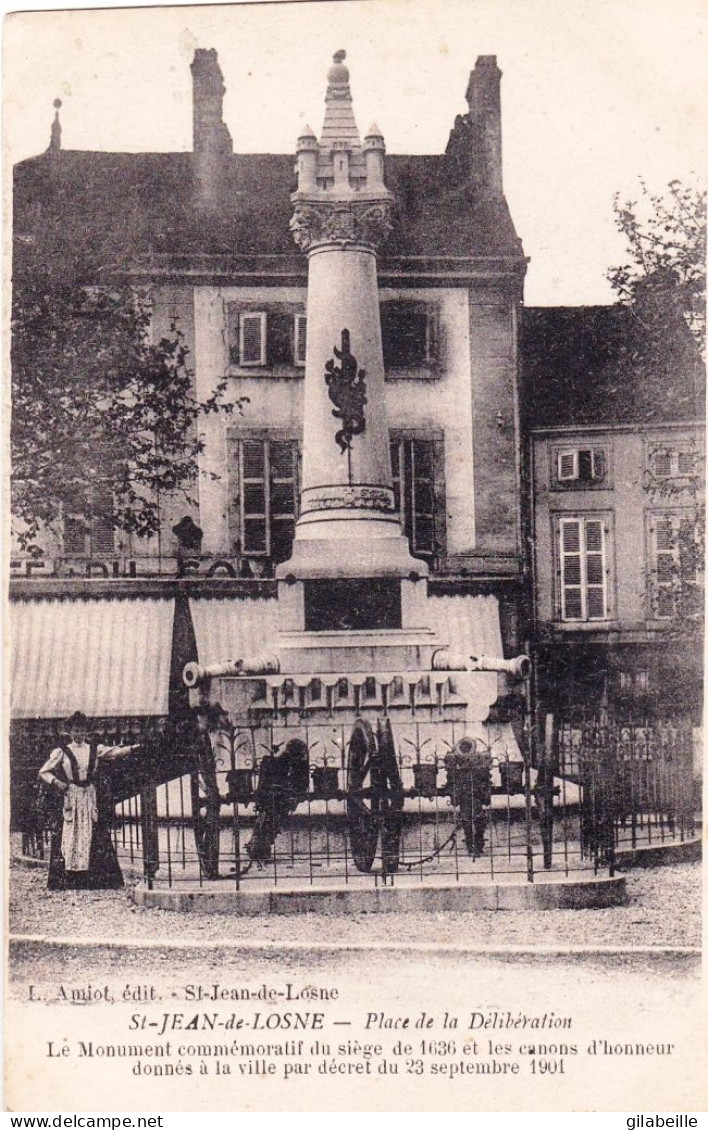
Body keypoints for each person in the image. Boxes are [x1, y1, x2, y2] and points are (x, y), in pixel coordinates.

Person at [37, 711, 141, 891]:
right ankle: (69, 879)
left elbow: (114, 752)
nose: (79, 735)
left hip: (89, 795)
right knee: (71, 831)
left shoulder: (94, 749)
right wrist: (57, 782)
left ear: (86, 732)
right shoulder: (62, 751)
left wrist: (133, 748)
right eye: (76, 731)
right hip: (72, 794)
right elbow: (44, 771)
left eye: (82, 731)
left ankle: (95, 879)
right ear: (70, 732)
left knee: (93, 830)